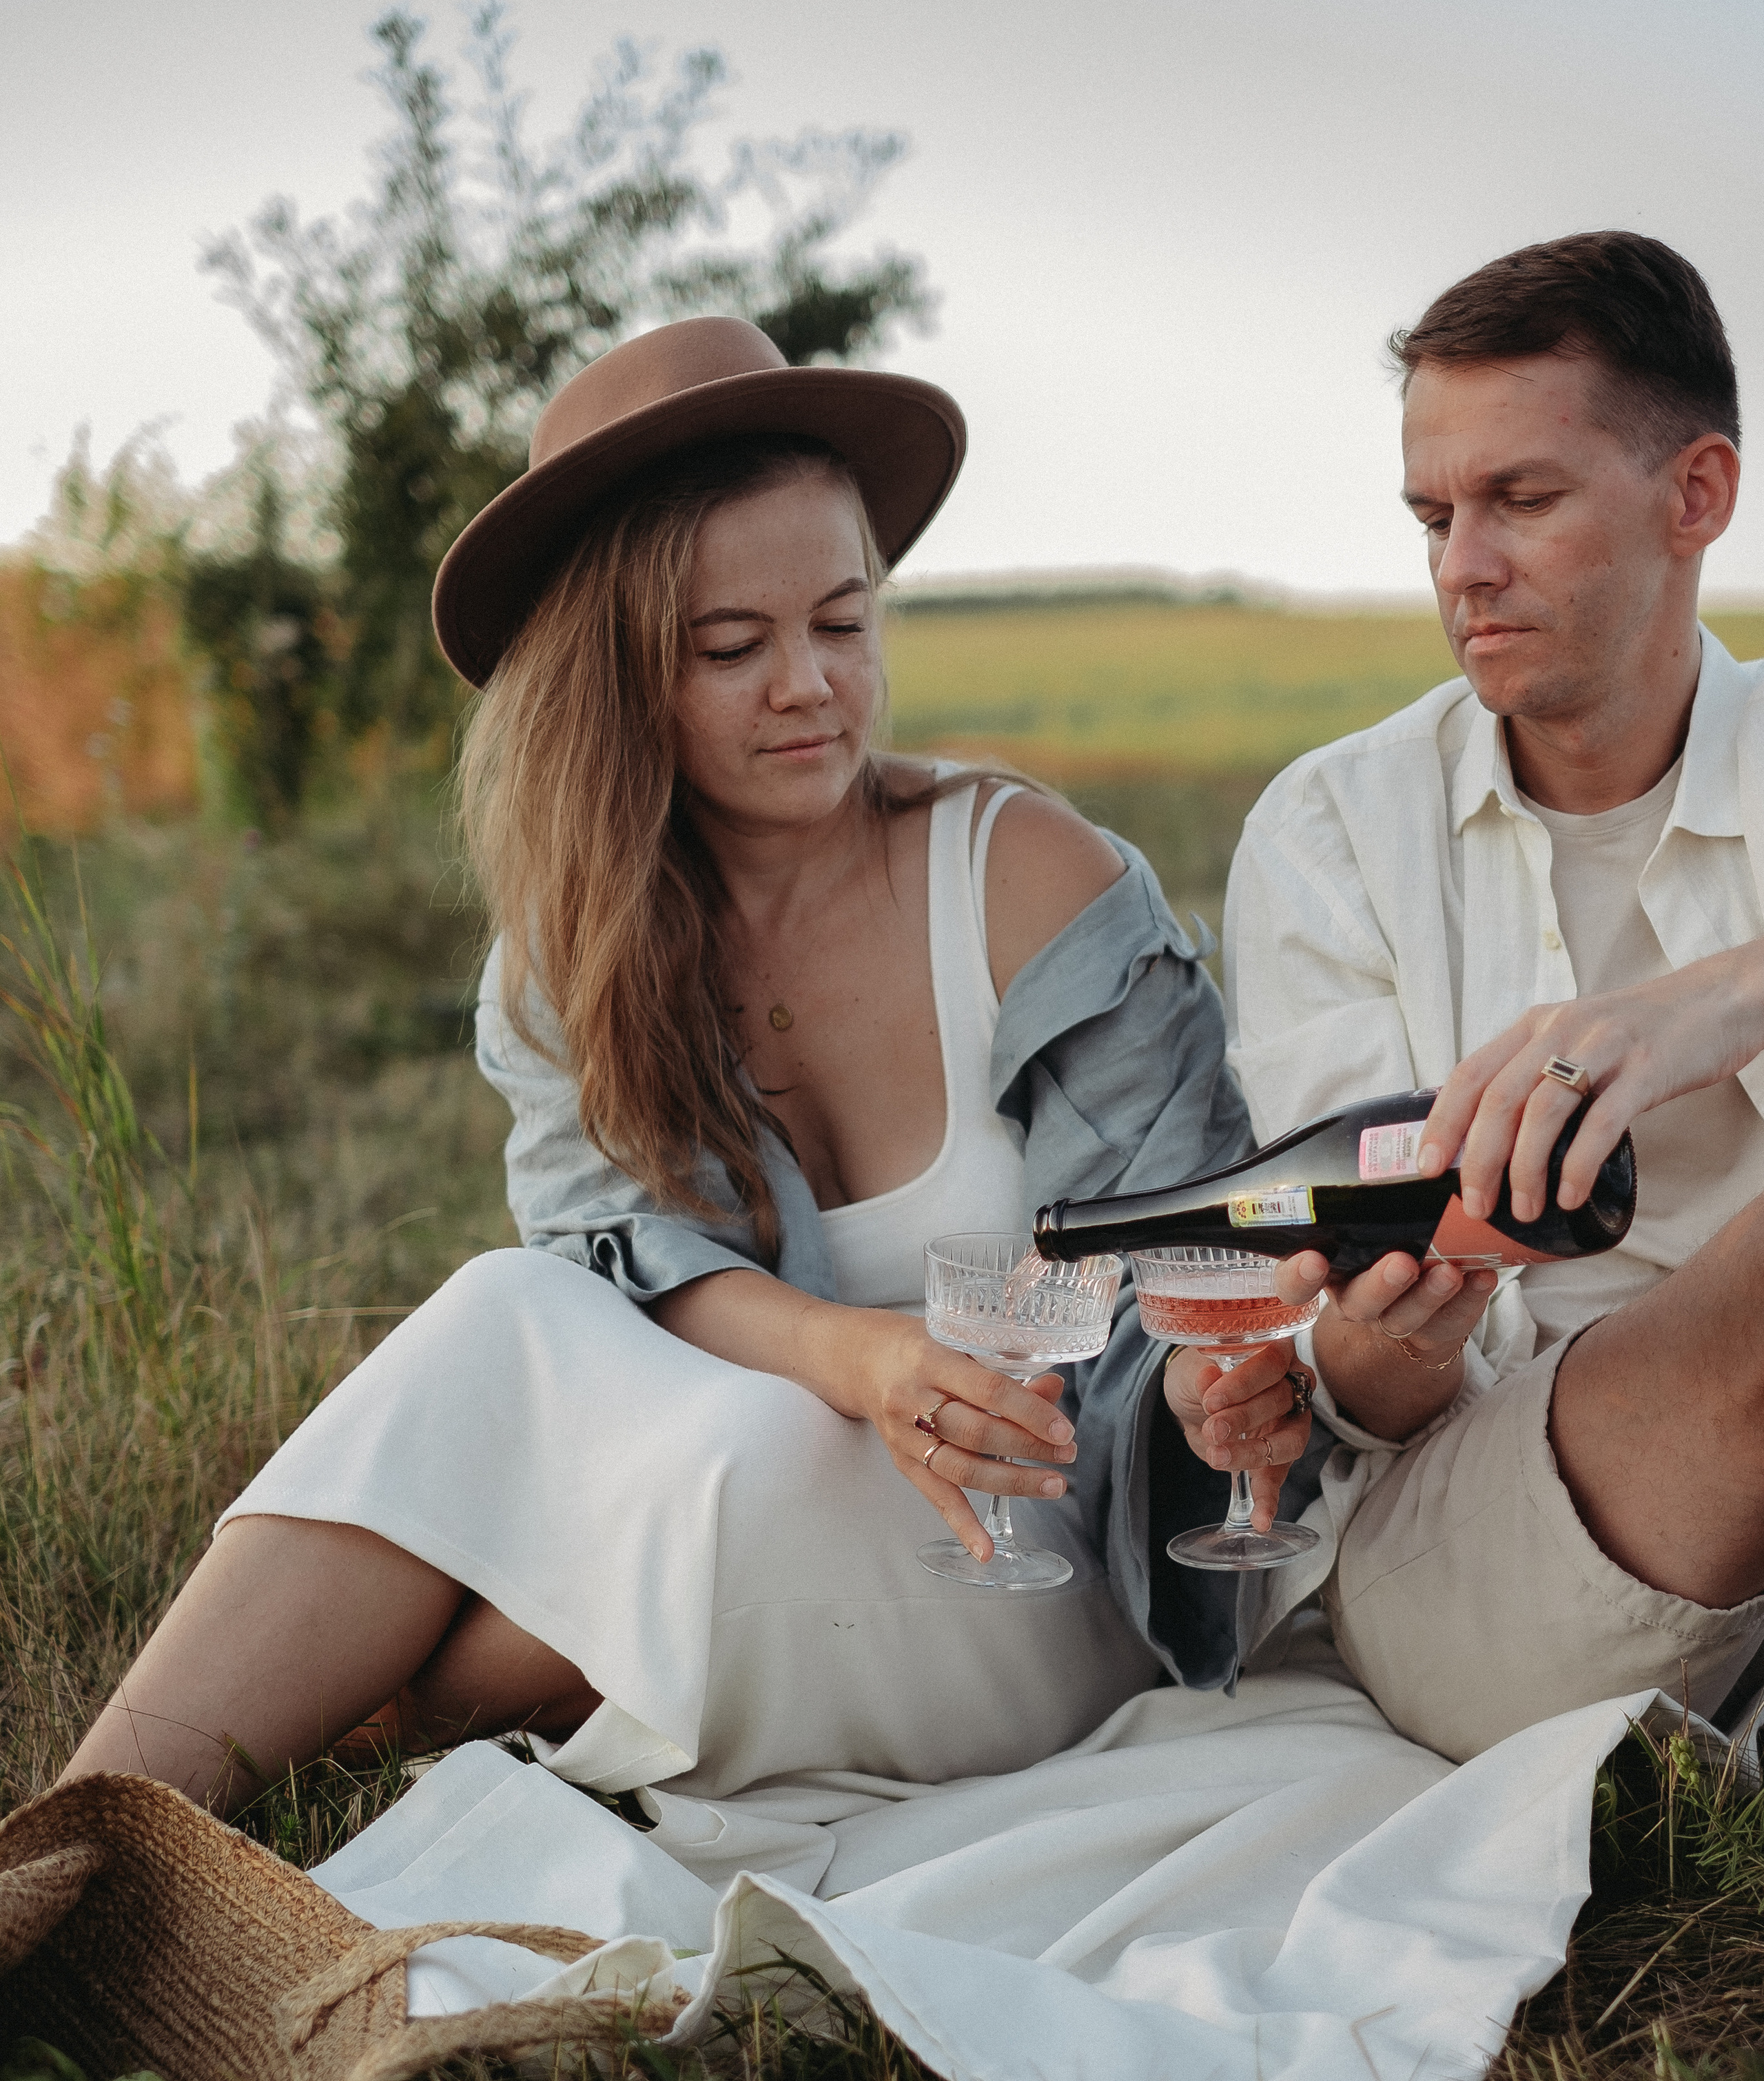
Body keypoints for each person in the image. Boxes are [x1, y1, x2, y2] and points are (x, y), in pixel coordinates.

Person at [61, 316, 1309, 1818]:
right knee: (529, 1314)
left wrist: (1171, 1385)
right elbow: (623, 1294)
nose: (809, 686)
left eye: (842, 625)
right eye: (732, 647)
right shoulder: (571, 954)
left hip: (1040, 1553)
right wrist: (862, 1362)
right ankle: (76, 1848)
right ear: (611, 678)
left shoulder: (1023, 876)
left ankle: (342, 1720)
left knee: (736, 1449)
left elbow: (1174, 1261)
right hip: (743, 1503)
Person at [1202, 231, 1764, 1763]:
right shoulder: (1331, 835)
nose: (1462, 565)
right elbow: (1355, 1393)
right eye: (1433, 514)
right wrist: (1390, 1339)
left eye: (1520, 499)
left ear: (1694, 495)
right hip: (1487, 1542)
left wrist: (1714, 1002)